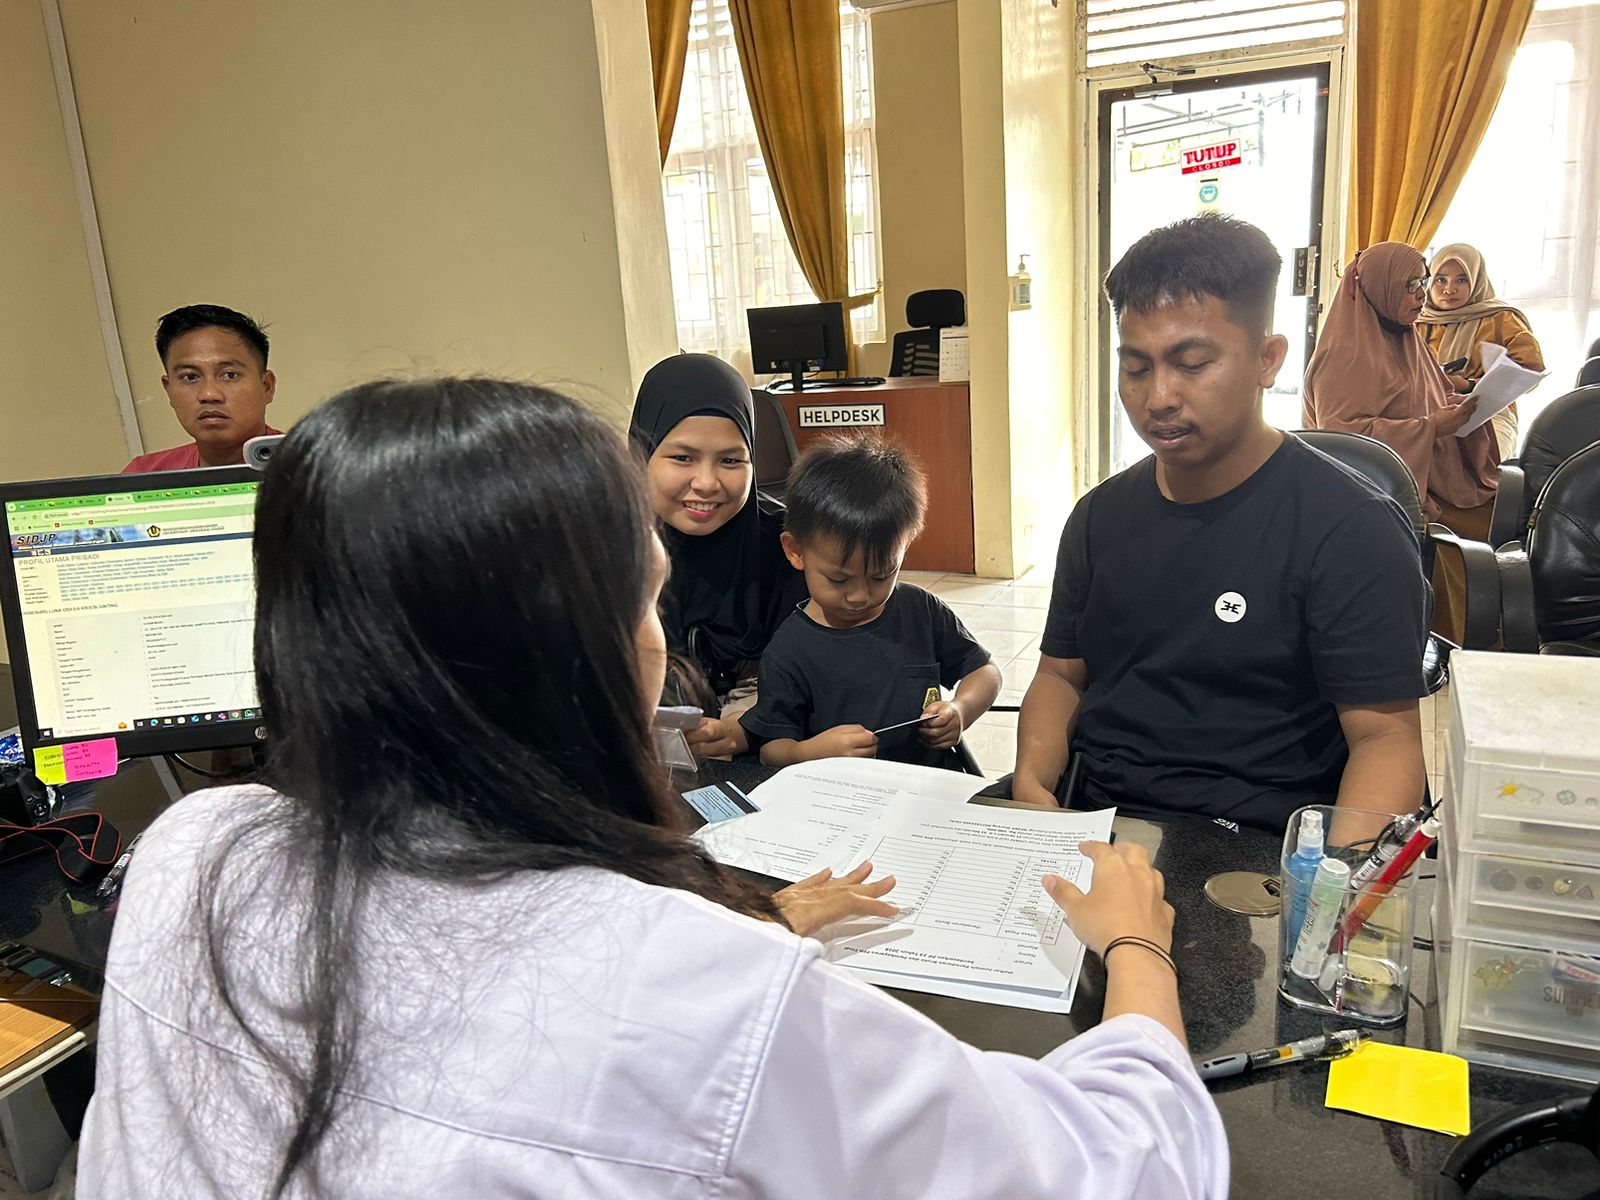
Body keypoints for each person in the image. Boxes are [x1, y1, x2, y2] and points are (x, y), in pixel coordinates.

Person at [79, 377, 1227, 1199]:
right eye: (644, 599)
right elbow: (1120, 1166)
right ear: (584, 652)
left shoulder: (190, 851)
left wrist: (755, 918)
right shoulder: (709, 993)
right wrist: (1136, 946)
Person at [1010, 215, 1428, 832]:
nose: (1159, 397)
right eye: (1136, 368)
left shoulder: (1352, 529)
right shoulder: (1098, 517)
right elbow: (1061, 676)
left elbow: (1384, 739)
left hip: (1256, 841)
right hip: (1100, 815)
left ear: (1267, 359)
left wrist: (1329, 879)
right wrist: (1031, 784)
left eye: (1192, 363)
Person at [742, 434, 1001, 768]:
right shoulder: (788, 650)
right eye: (839, 579)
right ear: (795, 552)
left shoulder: (920, 610)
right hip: (842, 791)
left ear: (906, 545)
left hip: (926, 782)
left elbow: (985, 672)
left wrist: (960, 709)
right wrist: (812, 752)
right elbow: (772, 750)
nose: (860, 596)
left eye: (881, 575)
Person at [1302, 242, 1500, 644]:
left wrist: (1458, 406)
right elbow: (1343, 443)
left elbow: (1432, 393)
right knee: (1473, 542)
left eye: (1423, 283)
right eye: (1411, 285)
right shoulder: (1346, 355)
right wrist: (1432, 428)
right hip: (1380, 496)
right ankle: (1469, 644)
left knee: (1511, 518)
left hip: (1430, 476)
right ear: (1381, 287)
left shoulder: (1406, 338)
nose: (1422, 295)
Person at [629, 354, 806, 760]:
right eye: (682, 458)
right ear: (641, 455)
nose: (707, 483)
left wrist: (749, 727)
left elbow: (819, 672)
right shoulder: (603, 551)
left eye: (730, 460)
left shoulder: (787, 547)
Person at [1418, 243, 1545, 459]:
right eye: (1441, 279)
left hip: (1489, 414)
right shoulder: (1415, 320)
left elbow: (1529, 374)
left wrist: (1469, 385)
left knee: (1484, 462)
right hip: (1425, 411)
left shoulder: (1501, 318)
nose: (1449, 289)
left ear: (1477, 280)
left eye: (1461, 280)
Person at [123, 304, 282, 473]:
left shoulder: (302, 469)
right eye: (190, 377)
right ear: (168, 390)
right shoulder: (143, 476)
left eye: (229, 375)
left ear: (267, 386)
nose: (209, 394)